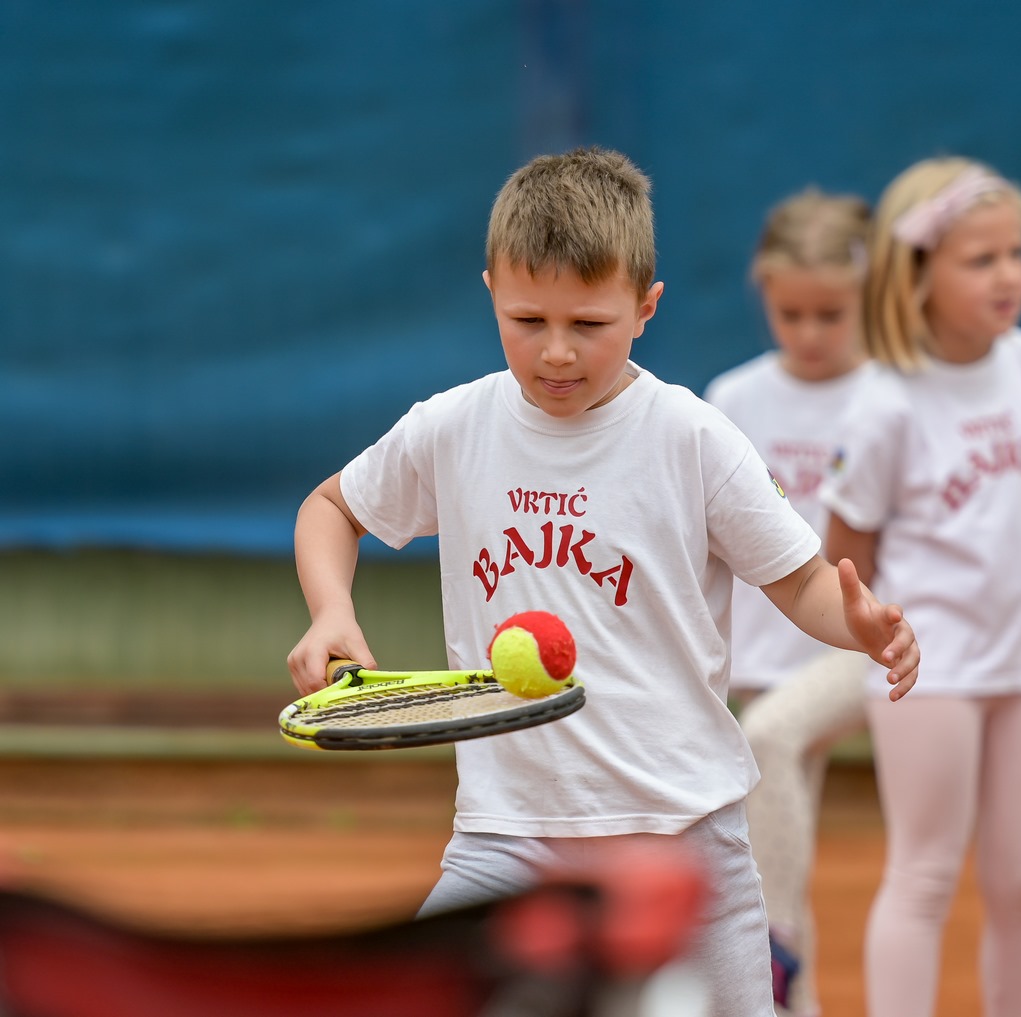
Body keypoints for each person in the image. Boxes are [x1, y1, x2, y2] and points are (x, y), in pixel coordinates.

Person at [284, 146, 921, 1017]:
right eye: (526, 319)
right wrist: (330, 611)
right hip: (504, 835)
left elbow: (802, 582)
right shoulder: (453, 427)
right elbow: (332, 506)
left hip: (684, 832)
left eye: (588, 324)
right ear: (490, 293)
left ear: (646, 307)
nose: (554, 352)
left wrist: (860, 626)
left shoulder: (694, 438)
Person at [822, 157, 1021, 1017]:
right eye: (981, 259)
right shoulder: (885, 402)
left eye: (1016, 253)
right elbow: (844, 554)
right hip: (931, 668)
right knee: (926, 871)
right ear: (918, 271)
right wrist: (876, 638)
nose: (1008, 275)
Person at [703, 187, 878, 1017]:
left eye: (830, 314)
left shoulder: (895, 392)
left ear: (869, 298)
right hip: (764, 653)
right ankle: (786, 991)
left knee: (767, 739)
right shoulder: (733, 398)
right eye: (791, 312)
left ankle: (779, 955)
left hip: (864, 646)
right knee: (766, 819)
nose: (808, 333)